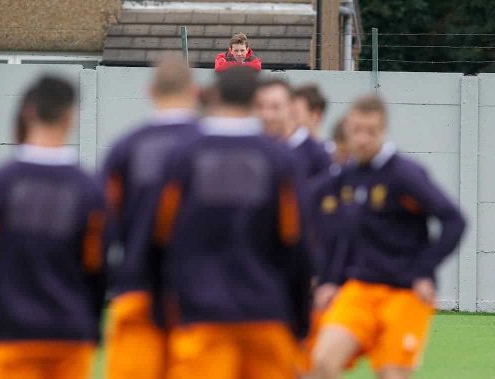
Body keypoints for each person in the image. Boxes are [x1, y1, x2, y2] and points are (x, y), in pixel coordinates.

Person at [148, 66, 311, 379]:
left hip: (202, 313)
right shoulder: (280, 161)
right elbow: (296, 245)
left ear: (212, 97)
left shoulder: (183, 156)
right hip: (265, 312)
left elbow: (158, 240)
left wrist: (161, 310)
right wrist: (300, 320)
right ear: (255, 103)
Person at [0, 76, 108, 379]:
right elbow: (97, 268)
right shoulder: (89, 189)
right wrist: (91, 325)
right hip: (68, 336)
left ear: (27, 112)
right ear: (71, 117)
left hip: (9, 334)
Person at [310, 95, 466, 379]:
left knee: (392, 374)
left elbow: (454, 220)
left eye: (371, 131)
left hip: (404, 292)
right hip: (360, 289)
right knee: (321, 362)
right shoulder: (347, 175)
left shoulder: (405, 174)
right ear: (347, 130)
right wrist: (330, 281)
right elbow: (342, 233)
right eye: (356, 130)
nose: (363, 138)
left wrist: (423, 270)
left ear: (383, 130)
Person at [102, 54, 200, 379]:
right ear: (195, 92)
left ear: (150, 92)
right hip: (202, 295)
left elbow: (102, 225)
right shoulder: (212, 147)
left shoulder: (126, 148)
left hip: (138, 288)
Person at [254, 79, 331, 180]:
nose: (266, 115)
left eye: (275, 107)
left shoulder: (316, 155)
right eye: (260, 107)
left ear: (290, 108)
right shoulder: (253, 148)